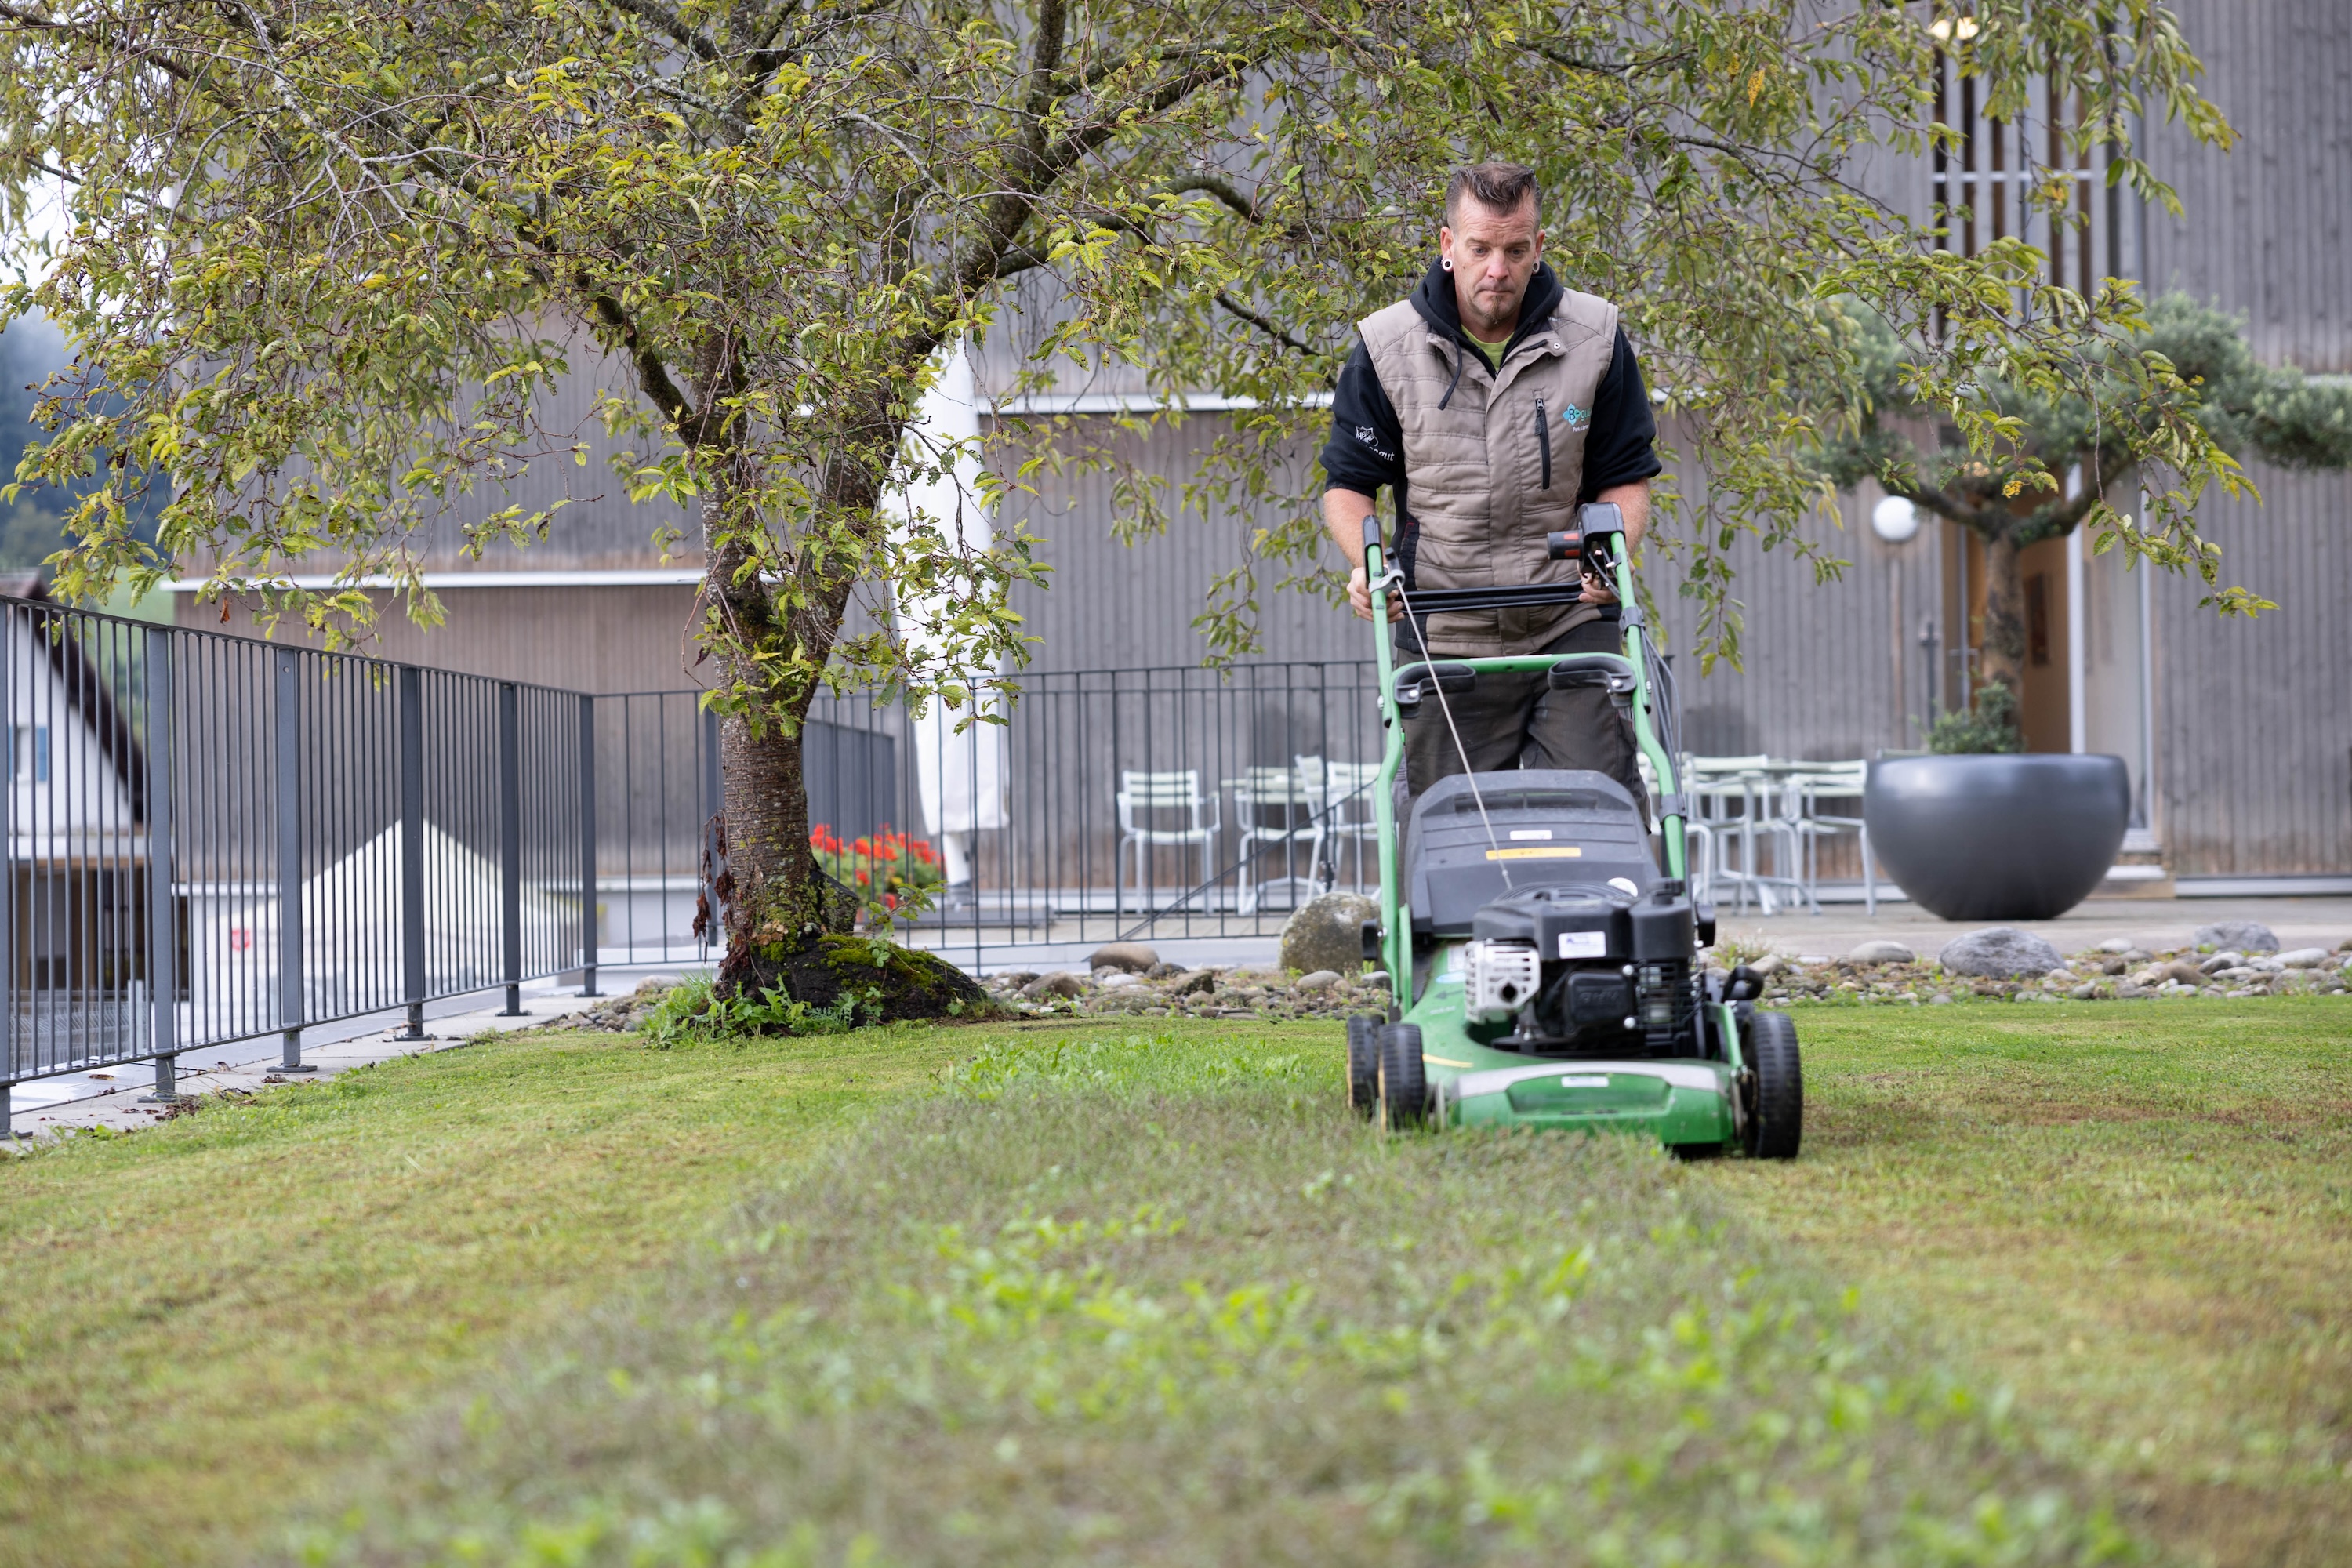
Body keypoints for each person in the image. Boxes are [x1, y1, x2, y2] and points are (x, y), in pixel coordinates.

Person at [1321, 162, 1661, 805]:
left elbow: (1625, 477)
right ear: (1448, 246)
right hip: (1442, 635)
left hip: (1570, 620)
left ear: (1538, 248)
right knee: (1446, 831)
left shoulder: (1596, 338)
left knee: (1603, 807)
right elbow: (1348, 484)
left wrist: (1609, 557)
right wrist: (1368, 565)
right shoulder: (1386, 346)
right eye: (1479, 248)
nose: (1497, 269)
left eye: (1513, 249)